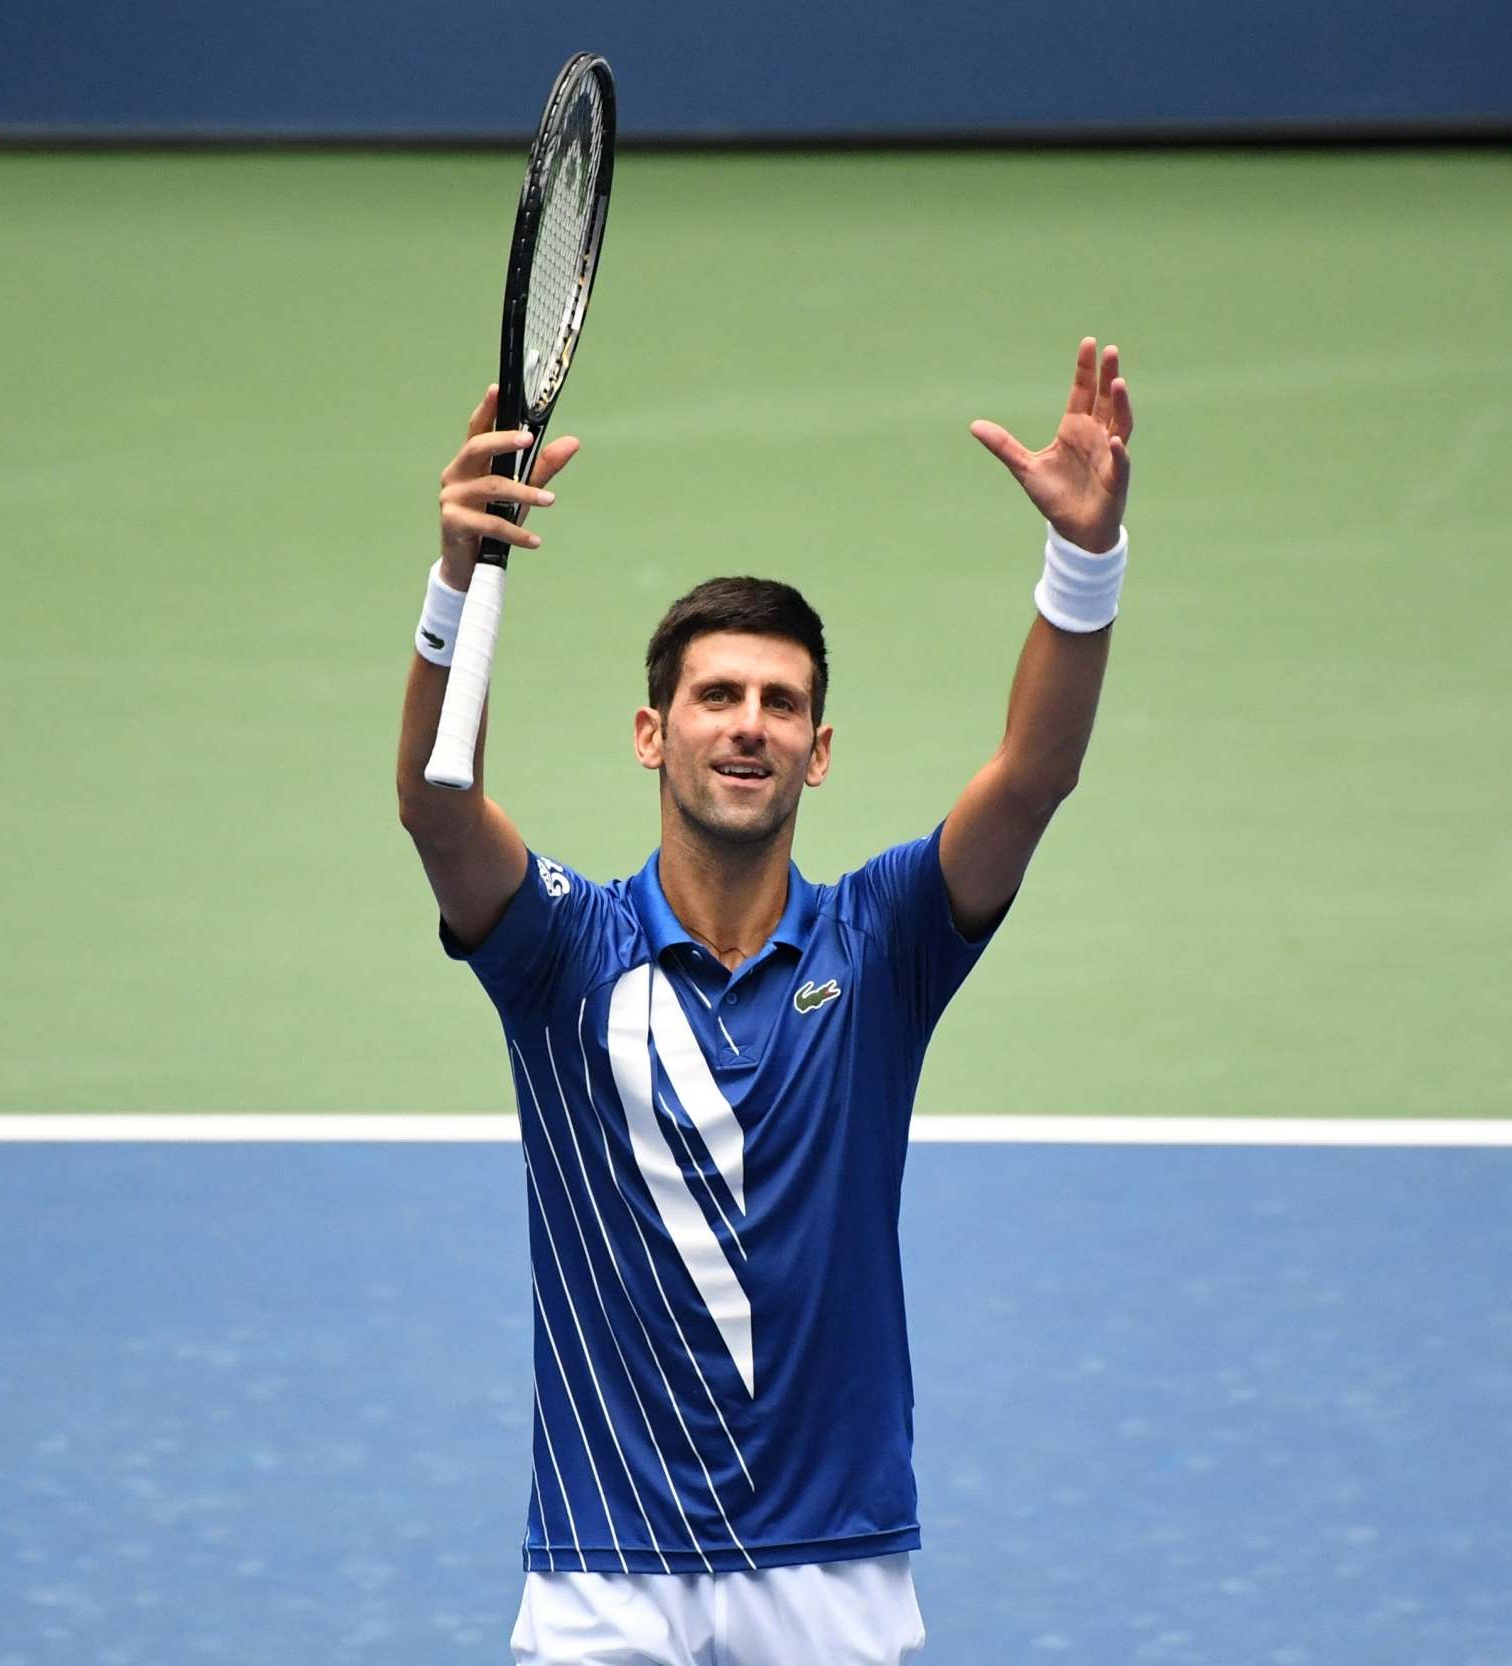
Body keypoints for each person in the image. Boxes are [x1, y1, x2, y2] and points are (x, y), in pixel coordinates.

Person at [395, 339, 1135, 1666]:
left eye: (780, 702)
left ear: (819, 749)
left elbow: (1030, 775)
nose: (746, 723)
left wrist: (1083, 565)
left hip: (829, 1565)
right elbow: (436, 805)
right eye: (716, 694)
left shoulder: (886, 938)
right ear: (650, 731)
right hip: (605, 1565)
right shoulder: (563, 950)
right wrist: (459, 578)